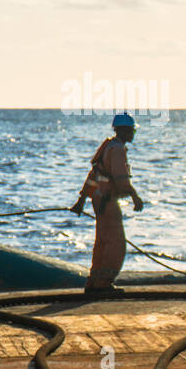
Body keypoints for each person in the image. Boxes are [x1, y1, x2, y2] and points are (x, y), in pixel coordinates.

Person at [71, 112, 144, 292]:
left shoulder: (108, 146)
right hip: (108, 202)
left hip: (99, 200)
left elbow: (93, 176)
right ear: (125, 131)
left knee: (102, 242)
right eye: (132, 130)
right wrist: (135, 197)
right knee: (116, 244)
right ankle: (104, 284)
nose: (133, 134)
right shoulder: (117, 149)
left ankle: (94, 282)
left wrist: (81, 200)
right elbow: (121, 180)